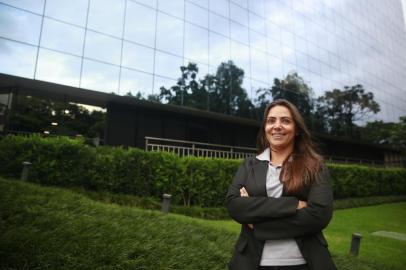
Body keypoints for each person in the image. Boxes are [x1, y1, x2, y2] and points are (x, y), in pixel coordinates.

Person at [226, 99, 337, 270]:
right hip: (252, 263)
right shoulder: (249, 165)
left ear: (297, 129)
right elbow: (235, 205)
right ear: (265, 128)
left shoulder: (315, 165)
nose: (277, 126)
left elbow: (318, 215)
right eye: (271, 121)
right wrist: (293, 204)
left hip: (303, 263)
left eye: (285, 120)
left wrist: (257, 225)